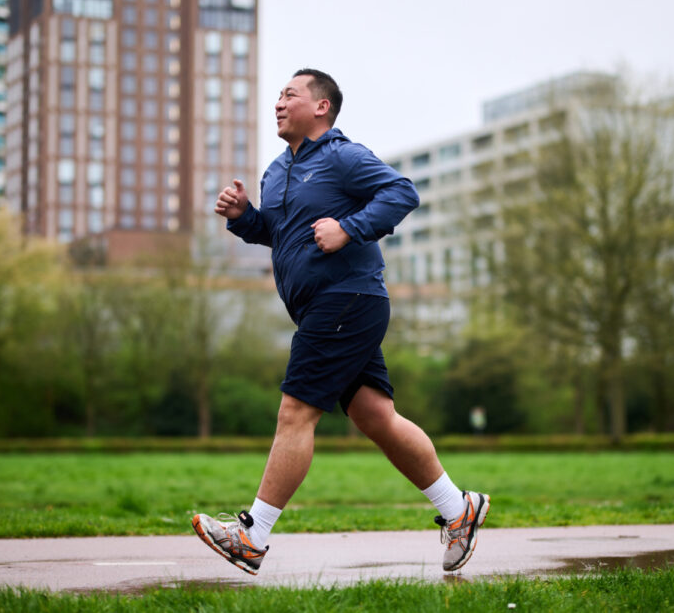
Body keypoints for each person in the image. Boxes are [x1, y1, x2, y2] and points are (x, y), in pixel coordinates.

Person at [191, 69, 488, 575]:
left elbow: (402, 193)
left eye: (290, 95)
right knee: (376, 417)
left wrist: (349, 229)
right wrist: (244, 216)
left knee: (295, 412)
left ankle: (252, 534)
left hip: (347, 298)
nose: (279, 103)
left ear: (321, 107)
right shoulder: (276, 171)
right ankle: (457, 508)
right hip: (325, 306)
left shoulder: (343, 157)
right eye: (279, 96)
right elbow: (280, 234)